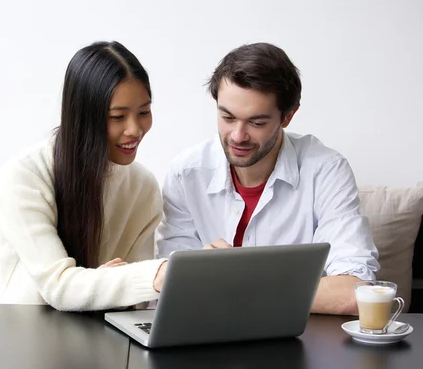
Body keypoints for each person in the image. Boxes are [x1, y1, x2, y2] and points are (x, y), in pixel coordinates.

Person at [155, 42, 379, 315]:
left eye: (257, 122)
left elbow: (354, 292)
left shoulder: (326, 171)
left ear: (288, 116)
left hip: (298, 341)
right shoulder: (186, 174)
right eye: (227, 117)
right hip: (207, 336)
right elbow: (169, 285)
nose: (238, 136)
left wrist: (237, 280)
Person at [0, 41, 167, 311]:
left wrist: (103, 286)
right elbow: (58, 286)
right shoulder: (24, 175)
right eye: (117, 117)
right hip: (16, 332)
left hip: (99, 336)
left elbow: (135, 301)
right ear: (83, 117)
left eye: (144, 112)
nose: (135, 129)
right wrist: (153, 275)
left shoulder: (143, 187)